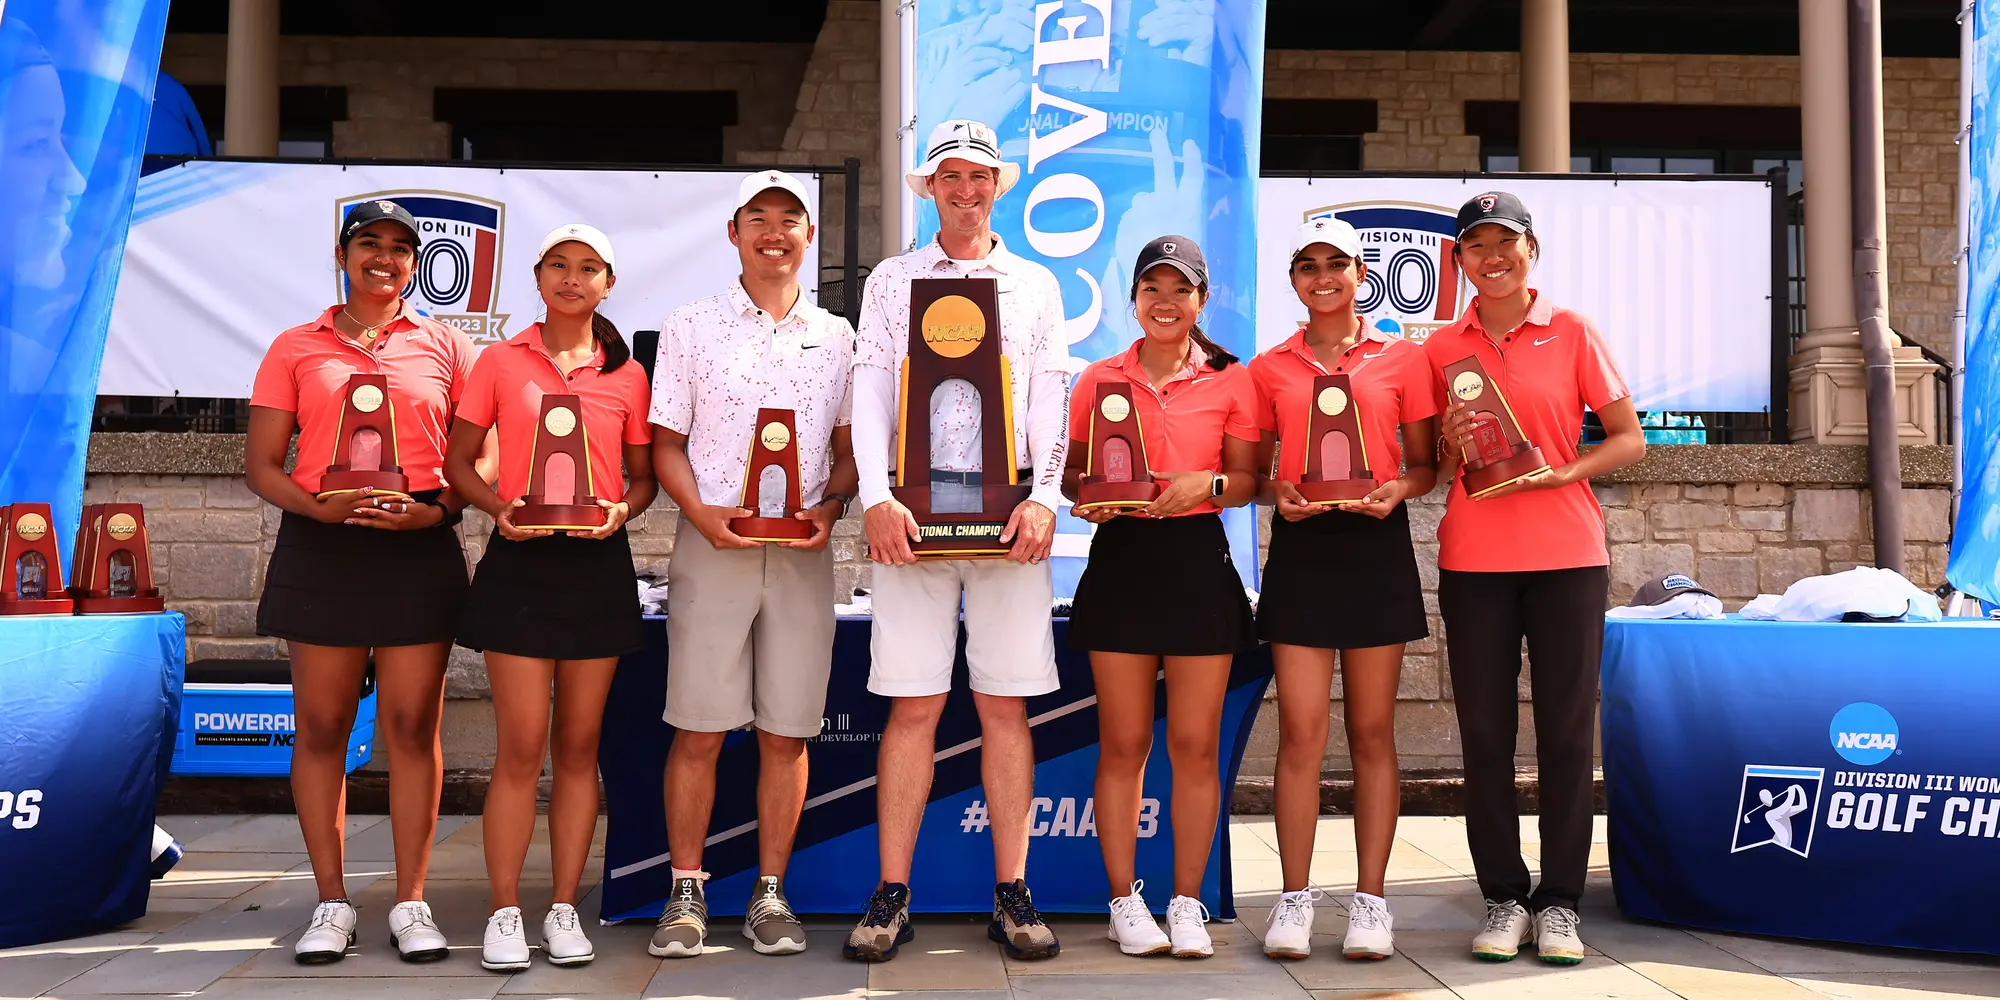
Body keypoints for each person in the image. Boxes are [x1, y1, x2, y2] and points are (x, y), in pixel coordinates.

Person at [845, 119, 1068, 963]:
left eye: (979, 176)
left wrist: (1045, 497)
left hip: (1008, 521)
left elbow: (1051, 399)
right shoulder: (892, 279)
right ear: (928, 188)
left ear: (999, 185)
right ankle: (892, 894)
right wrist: (874, 496)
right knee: (913, 706)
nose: (966, 190)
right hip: (912, 521)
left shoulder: (1034, 283)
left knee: (1005, 708)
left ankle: (1012, 893)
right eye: (950, 177)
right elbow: (871, 394)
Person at [244, 200, 478, 965]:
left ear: (419, 264)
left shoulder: (447, 346)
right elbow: (262, 465)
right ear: (343, 255)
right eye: (369, 243)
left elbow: (487, 457)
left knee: (413, 730)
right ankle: (331, 901)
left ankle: (411, 901)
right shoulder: (295, 346)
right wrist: (314, 504)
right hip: (323, 551)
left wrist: (438, 511)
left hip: (416, 551)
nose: (385, 258)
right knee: (322, 729)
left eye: (401, 248)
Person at [1425, 192, 1645, 965]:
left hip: (1569, 559)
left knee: (1564, 735)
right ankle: (1501, 898)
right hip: (1475, 562)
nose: (1492, 257)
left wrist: (1564, 472)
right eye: (1476, 245)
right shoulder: (1440, 347)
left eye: (1506, 243)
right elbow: (1432, 470)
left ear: (1531, 250)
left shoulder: (1573, 331)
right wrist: (1450, 447)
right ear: (1458, 259)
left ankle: (1559, 904)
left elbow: (1628, 441)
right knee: (1484, 736)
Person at [647, 171, 856, 960]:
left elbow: (846, 451)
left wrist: (830, 510)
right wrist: (701, 517)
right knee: (699, 728)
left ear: (809, 237)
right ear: (733, 232)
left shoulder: (838, 335)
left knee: (786, 733)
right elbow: (665, 442)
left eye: (790, 219)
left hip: (801, 552)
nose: (775, 232)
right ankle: (686, 892)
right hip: (714, 544)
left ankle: (770, 895)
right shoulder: (692, 325)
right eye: (758, 218)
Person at [445, 223, 655, 971]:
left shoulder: (628, 374)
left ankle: (564, 907)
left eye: (588, 268)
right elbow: (460, 461)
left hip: (597, 568)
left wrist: (621, 513)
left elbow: (643, 479)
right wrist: (495, 509)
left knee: (577, 749)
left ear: (608, 284)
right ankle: (505, 911)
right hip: (520, 563)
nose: (572, 278)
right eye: (559, 266)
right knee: (520, 748)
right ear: (537, 277)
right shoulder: (500, 360)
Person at [1062, 235, 1258, 960]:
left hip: (1198, 563)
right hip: (1123, 562)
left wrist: (1203, 486)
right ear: (1134, 299)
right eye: (1153, 289)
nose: (1166, 303)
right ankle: (1124, 902)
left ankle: (1185, 902)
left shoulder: (1231, 380)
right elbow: (1073, 476)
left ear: (1201, 300)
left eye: (1181, 290)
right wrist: (1092, 500)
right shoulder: (1097, 379)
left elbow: (1248, 478)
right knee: (1124, 743)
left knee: (1194, 744)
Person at [1249, 218, 1438, 961]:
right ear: (1294, 279)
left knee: (1370, 733)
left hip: (1374, 543)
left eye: (1337, 264)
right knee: (1300, 733)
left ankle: (1371, 903)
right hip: (1301, 547)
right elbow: (1256, 472)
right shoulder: (1269, 367)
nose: (1322, 276)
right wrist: (1277, 494)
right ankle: (1293, 901)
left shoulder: (1404, 358)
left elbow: (1425, 465)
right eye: (1307, 265)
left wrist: (1398, 488)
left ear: (1363, 274)